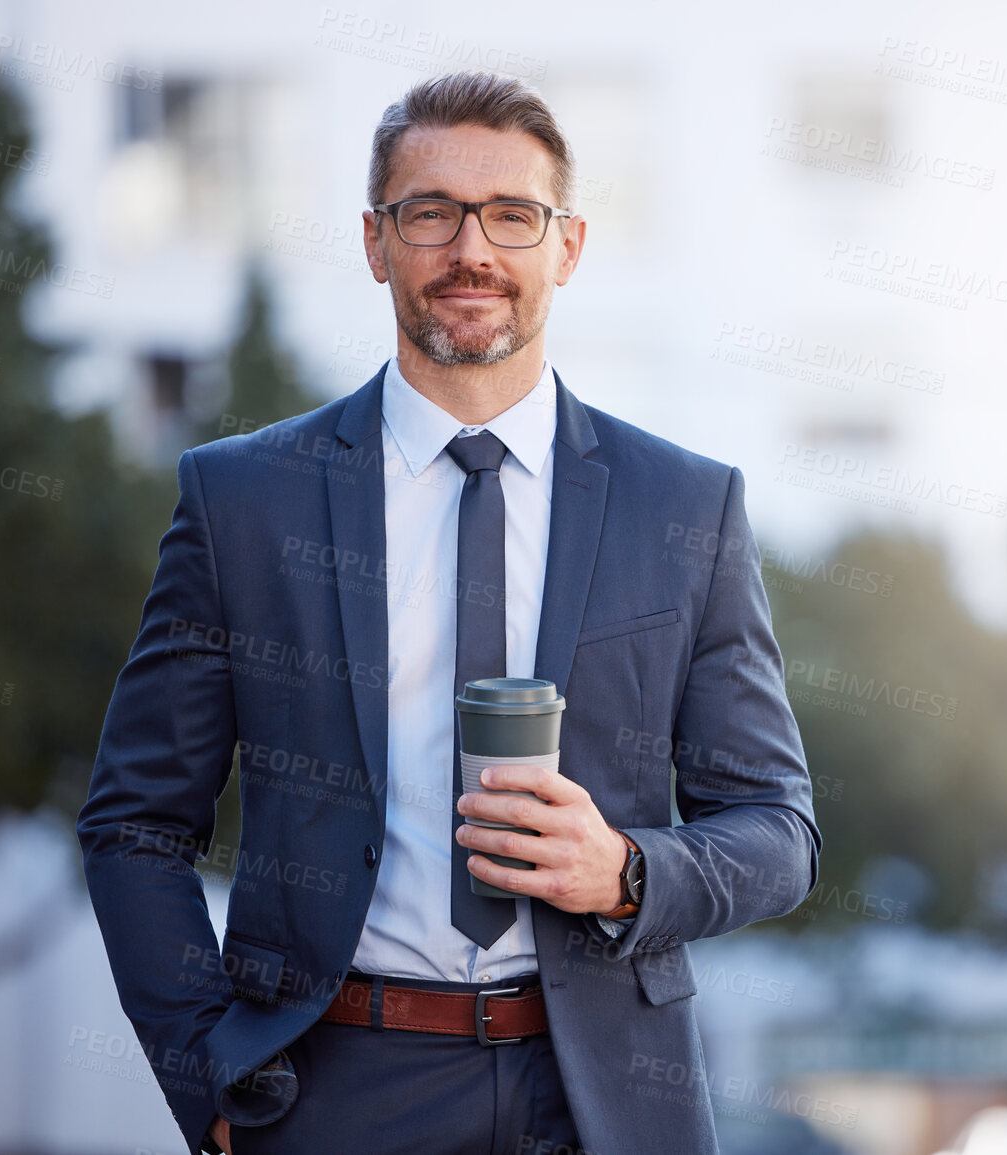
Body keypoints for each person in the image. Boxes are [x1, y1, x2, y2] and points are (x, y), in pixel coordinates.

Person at [76, 69, 820, 1155]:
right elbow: (135, 822)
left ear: (566, 247)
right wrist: (209, 1080)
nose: (473, 250)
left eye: (513, 216)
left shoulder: (687, 506)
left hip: (606, 1097)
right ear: (378, 243)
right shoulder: (243, 500)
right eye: (432, 213)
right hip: (333, 1087)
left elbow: (778, 830)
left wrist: (627, 870)